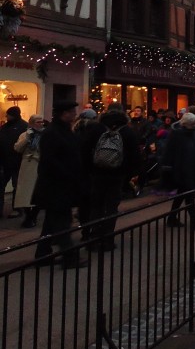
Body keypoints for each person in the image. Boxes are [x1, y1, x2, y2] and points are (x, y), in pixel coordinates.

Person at [32, 100, 88, 268]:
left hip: (61, 185)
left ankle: (42, 254)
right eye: (72, 112)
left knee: (51, 222)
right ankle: (70, 257)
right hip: (56, 186)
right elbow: (50, 161)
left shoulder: (62, 131)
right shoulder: (53, 133)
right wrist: (69, 174)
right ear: (64, 114)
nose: (74, 115)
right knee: (62, 222)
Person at [80, 109, 141, 251]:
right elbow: (134, 155)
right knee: (111, 207)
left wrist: (89, 169)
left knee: (97, 206)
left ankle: (94, 238)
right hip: (117, 174)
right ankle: (108, 238)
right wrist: (130, 173)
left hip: (97, 173)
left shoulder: (96, 130)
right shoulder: (127, 132)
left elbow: (84, 150)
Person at [163, 111, 195, 229]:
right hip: (182, 170)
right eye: (192, 124)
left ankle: (172, 218)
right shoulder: (178, 134)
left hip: (190, 169)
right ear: (186, 124)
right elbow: (170, 152)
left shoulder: (192, 132)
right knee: (188, 195)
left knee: (182, 195)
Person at [13, 113, 45, 227]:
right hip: (27, 165)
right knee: (25, 193)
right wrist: (27, 138)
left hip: (40, 166)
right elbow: (17, 148)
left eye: (42, 122)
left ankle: (33, 217)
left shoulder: (45, 135)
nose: (40, 124)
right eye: (38, 122)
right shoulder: (25, 134)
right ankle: (28, 216)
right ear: (31, 123)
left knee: (38, 193)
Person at [0, 105, 28, 216]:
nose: (6, 116)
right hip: (4, 161)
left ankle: (17, 209)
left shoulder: (23, 126)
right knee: (2, 185)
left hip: (17, 161)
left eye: (8, 114)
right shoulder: (5, 127)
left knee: (17, 186)